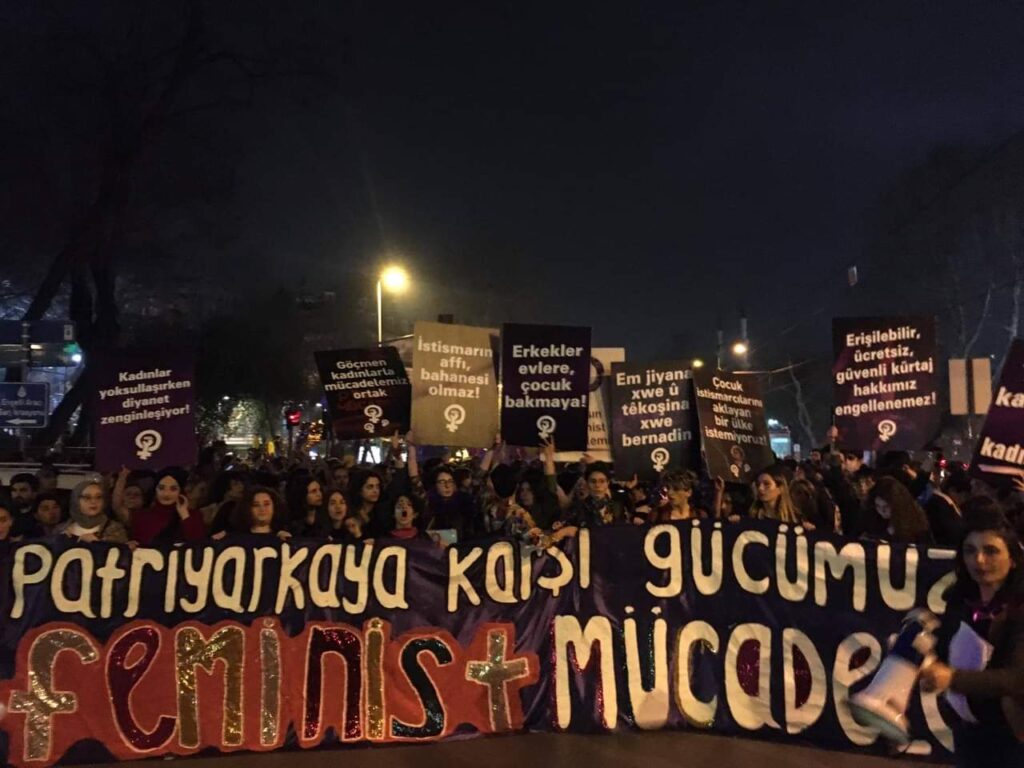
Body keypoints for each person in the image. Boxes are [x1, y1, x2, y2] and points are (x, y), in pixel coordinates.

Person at [920, 504, 1024, 766]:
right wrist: (922, 658)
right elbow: (943, 654)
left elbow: (1017, 678)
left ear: (1012, 559)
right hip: (969, 733)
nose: (978, 560)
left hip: (1013, 737)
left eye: (990, 551)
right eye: (970, 550)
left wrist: (953, 678)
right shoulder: (960, 600)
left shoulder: (1020, 607)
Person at [130, 467, 206, 547]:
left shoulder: (194, 516)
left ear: (180, 491)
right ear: (155, 490)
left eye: (173, 489)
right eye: (161, 488)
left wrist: (184, 515)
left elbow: (199, 546)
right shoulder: (142, 516)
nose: (166, 494)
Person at [865, 476, 933, 546]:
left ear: (897, 505)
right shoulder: (875, 521)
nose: (882, 511)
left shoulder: (916, 526)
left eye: (886, 506)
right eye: (878, 506)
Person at [57, 480, 128, 543]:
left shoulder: (115, 529)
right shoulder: (61, 530)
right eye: (87, 497)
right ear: (76, 501)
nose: (93, 502)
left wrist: (98, 543)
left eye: (98, 497)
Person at [563, 463, 627, 528]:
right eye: (593, 481)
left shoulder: (617, 507)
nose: (597, 485)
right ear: (587, 483)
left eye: (602, 481)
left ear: (608, 483)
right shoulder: (577, 508)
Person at [8, 472, 39, 537]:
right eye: (14, 490)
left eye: (23, 490)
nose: (17, 494)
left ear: (34, 493)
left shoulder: (40, 515)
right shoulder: (7, 512)